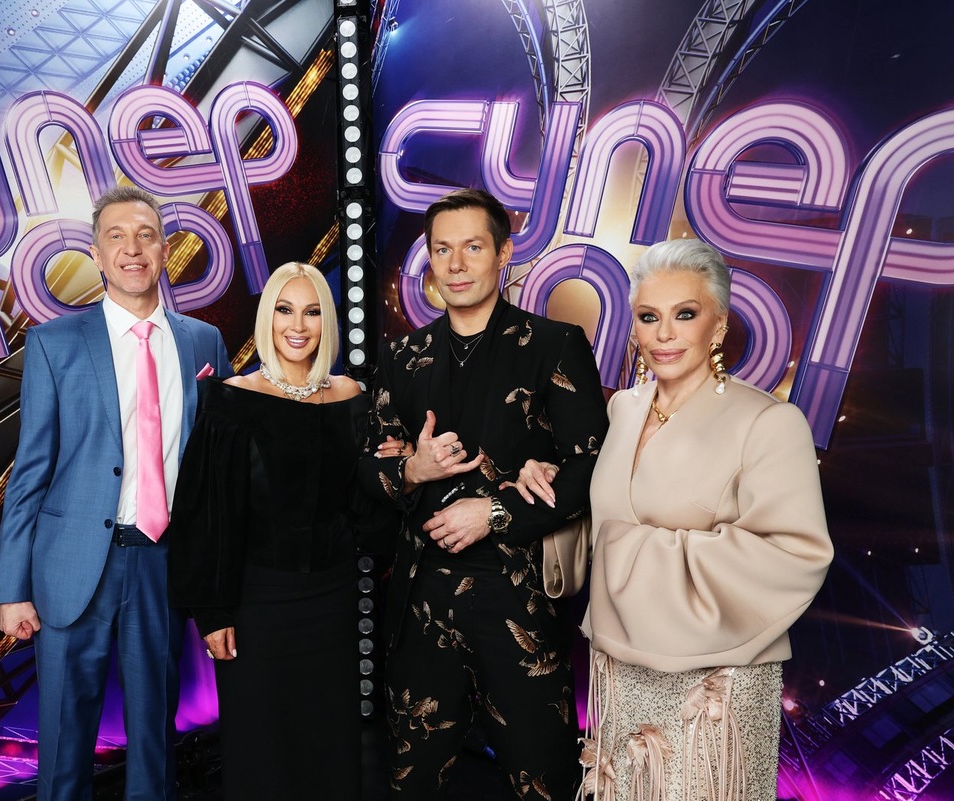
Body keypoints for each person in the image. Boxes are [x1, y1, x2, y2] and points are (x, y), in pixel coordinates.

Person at [517, 238, 833, 800]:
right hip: (620, 669)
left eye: (684, 314)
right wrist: (550, 483)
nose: (664, 333)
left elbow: (794, 554)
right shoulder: (623, 409)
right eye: (648, 317)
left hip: (712, 683)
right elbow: (605, 522)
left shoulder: (769, 421)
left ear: (719, 324)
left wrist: (633, 551)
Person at [356, 188, 609, 800]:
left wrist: (494, 511)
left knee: (543, 777)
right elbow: (369, 470)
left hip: (518, 595)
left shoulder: (554, 344)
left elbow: (594, 467)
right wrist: (413, 470)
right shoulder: (402, 355)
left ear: (504, 253)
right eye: (443, 249)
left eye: (473, 247)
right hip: (420, 599)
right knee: (413, 781)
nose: (456, 264)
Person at [0, 185, 233, 801]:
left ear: (164, 249)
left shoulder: (203, 342)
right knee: (64, 742)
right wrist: (12, 587)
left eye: (146, 235)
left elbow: (220, 470)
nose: (132, 249)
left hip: (162, 564)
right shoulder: (54, 343)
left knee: (155, 737)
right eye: (116, 237)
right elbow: (30, 470)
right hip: (72, 566)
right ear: (97, 255)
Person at [168, 262, 403, 801]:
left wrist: (394, 470)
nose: (298, 326)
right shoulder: (231, 398)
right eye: (285, 309)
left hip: (333, 598)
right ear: (266, 318)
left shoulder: (353, 397)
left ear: (328, 322)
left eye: (313, 312)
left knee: (329, 745)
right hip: (256, 604)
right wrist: (213, 613)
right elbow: (204, 514)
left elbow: (363, 511)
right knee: (262, 749)